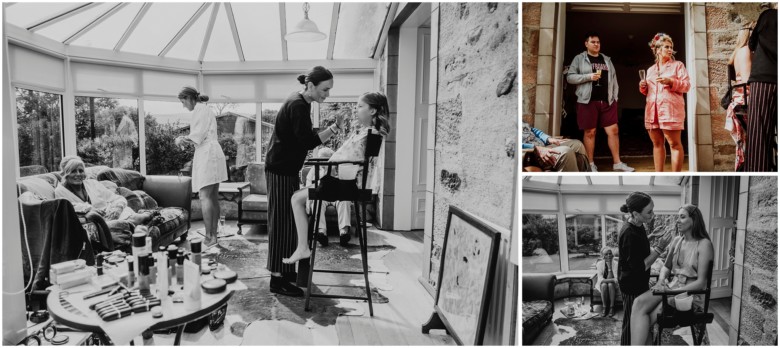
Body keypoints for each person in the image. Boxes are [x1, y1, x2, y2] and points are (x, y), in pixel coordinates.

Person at [264, 66, 345, 297]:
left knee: (288, 220)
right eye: (324, 89)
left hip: (285, 169)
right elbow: (308, 141)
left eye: (329, 90)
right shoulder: (298, 105)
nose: (327, 94)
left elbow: (302, 136)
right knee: (281, 222)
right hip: (280, 170)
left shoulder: (301, 101)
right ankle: (277, 280)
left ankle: (285, 271)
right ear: (310, 86)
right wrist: (335, 128)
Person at [284, 92, 390, 266]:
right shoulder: (366, 132)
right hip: (341, 181)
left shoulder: (370, 134)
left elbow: (355, 162)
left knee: (296, 199)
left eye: (360, 106)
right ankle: (304, 245)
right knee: (297, 197)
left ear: (372, 111)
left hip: (345, 185)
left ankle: (303, 247)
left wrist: (329, 167)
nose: (356, 109)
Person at [629, 204, 713, 345]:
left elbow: (701, 283)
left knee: (647, 318)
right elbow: (666, 267)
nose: (677, 221)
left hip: (690, 295)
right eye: (677, 217)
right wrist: (661, 281)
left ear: (694, 219)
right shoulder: (676, 241)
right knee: (638, 302)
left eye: (682, 217)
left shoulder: (704, 244)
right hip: (671, 287)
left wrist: (670, 290)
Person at [54, 156, 157, 251]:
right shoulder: (60, 191)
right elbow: (69, 210)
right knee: (104, 226)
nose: (78, 174)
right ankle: (137, 222)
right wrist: (89, 209)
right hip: (94, 221)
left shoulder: (92, 183)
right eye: (73, 171)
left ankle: (131, 224)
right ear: (65, 173)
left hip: (112, 214)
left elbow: (117, 198)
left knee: (124, 212)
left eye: (81, 171)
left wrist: (117, 209)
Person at [566, 32, 634, 172]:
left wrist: (615, 98)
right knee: (590, 132)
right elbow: (570, 78)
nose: (596, 44)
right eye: (593, 42)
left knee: (613, 130)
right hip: (587, 101)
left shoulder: (606, 60)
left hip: (607, 102)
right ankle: (590, 164)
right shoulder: (579, 59)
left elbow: (614, 80)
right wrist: (588, 76)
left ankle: (617, 163)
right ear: (586, 44)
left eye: (598, 42)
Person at [617, 191, 673, 345]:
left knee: (640, 322)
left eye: (652, 209)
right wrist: (660, 247)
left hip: (639, 282)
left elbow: (638, 247)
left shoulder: (638, 225)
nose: (653, 214)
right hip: (631, 285)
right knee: (631, 325)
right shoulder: (628, 233)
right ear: (635, 213)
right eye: (649, 212)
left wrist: (651, 236)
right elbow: (642, 265)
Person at [174, 87, 227, 248]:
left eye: (183, 102)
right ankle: (213, 235)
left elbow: (198, 135)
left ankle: (210, 237)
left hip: (208, 154)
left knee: (205, 197)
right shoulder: (204, 109)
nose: (184, 106)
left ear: (190, 98)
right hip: (211, 152)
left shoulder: (200, 110)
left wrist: (182, 138)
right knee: (212, 197)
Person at [639, 33, 691, 172]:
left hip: (670, 111)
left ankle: (676, 175)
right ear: (658, 50)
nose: (670, 49)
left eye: (671, 47)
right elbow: (649, 92)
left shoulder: (677, 65)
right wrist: (643, 87)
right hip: (652, 111)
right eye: (666, 47)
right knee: (657, 144)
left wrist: (671, 81)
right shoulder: (650, 70)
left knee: (674, 144)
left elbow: (686, 85)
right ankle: (658, 174)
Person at [745, 4, 777, 171]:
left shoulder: (769, 15)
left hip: (764, 78)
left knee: (759, 133)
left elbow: (752, 44)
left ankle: (758, 168)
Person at [306, 147, 353, 247]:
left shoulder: (338, 168)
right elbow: (309, 186)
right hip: (322, 197)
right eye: (320, 159)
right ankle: (321, 232)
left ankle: (344, 232)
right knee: (316, 201)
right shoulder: (314, 169)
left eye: (325, 159)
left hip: (337, 196)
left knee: (345, 200)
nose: (322, 161)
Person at [725, 22, 756, 171]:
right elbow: (747, 80)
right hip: (745, 99)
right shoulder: (745, 51)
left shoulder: (740, 51)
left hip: (740, 98)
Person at [522, 122, 588, 171]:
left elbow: (532, 130)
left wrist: (548, 139)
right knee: (566, 152)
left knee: (577, 144)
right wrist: (535, 148)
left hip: (543, 145)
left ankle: (587, 181)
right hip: (531, 153)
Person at [595, 246, 619, 317]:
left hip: (613, 284)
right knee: (604, 285)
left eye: (610, 253)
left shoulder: (616, 263)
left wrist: (609, 268)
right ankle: (604, 307)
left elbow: (616, 278)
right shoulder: (599, 264)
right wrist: (611, 280)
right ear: (603, 256)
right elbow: (600, 279)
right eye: (606, 254)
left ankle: (612, 307)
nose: (609, 255)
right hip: (603, 284)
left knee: (610, 285)